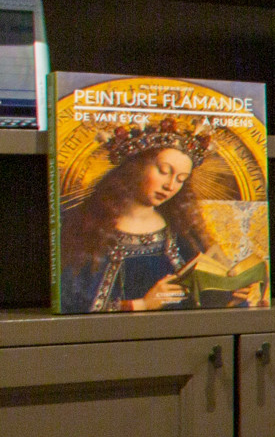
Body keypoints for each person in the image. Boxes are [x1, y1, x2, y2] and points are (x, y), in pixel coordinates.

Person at [58, 133, 261, 312]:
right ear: (135, 167)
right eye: (164, 171)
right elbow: (70, 304)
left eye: (181, 179)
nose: (170, 185)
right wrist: (143, 305)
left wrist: (231, 297)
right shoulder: (86, 226)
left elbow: (201, 301)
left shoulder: (182, 232)